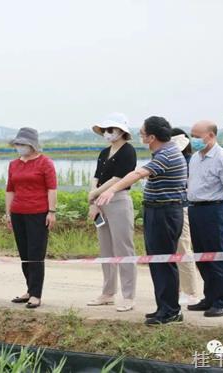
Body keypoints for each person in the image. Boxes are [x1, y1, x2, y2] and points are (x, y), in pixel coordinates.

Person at [96, 116, 187, 325]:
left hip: (165, 212)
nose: (140, 136)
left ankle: (170, 311)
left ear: (152, 137)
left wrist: (111, 190)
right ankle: (164, 307)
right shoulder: (165, 151)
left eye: (143, 133)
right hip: (158, 211)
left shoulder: (167, 154)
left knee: (164, 262)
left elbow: (137, 173)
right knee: (158, 262)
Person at [187, 120, 223, 318]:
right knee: (202, 256)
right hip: (196, 209)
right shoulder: (194, 158)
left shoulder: (222, 157)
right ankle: (210, 298)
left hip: (215, 209)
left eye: (197, 136)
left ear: (211, 136)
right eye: (192, 135)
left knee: (217, 256)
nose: (194, 140)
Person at [86, 113, 137, 312]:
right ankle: (108, 293)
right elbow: (96, 176)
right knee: (106, 249)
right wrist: (93, 200)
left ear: (122, 131)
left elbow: (119, 178)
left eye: (111, 130)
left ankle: (128, 295)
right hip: (99, 202)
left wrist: (97, 192)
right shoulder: (104, 152)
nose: (107, 133)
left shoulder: (128, 151)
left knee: (124, 248)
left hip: (118, 200)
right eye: (105, 130)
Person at [6, 128, 57, 309]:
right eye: (17, 144)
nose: (19, 147)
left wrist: (51, 212)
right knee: (25, 254)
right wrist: (8, 213)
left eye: (23, 144)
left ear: (32, 145)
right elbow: (10, 189)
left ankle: (36, 294)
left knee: (36, 254)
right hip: (18, 212)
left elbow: (52, 188)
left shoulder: (45, 163)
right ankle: (29, 289)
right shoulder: (13, 164)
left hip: (38, 213)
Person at [170, 128, 201, 307]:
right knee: (173, 250)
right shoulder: (171, 160)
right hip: (171, 208)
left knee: (183, 248)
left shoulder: (190, 162)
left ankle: (190, 292)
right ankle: (179, 289)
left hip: (183, 208)